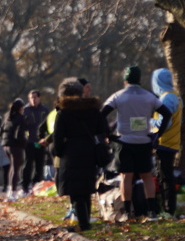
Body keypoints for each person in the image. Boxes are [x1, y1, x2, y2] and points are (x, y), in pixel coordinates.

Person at [101, 66, 166, 221]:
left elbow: (102, 114)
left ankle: (127, 212)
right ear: (139, 79)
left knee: (126, 176)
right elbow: (167, 113)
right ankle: (152, 211)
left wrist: (108, 134)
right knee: (147, 175)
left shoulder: (118, 95)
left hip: (124, 141)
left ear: (125, 80)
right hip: (144, 140)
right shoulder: (149, 96)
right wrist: (157, 134)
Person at [50, 77, 111, 230]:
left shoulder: (63, 113)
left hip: (71, 154)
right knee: (86, 188)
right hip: (90, 152)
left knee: (75, 191)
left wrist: (59, 152)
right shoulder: (93, 110)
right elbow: (103, 130)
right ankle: (86, 221)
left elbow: (57, 138)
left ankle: (83, 224)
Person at [152, 68, 181, 217]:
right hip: (172, 141)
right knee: (166, 176)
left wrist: (149, 123)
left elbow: (165, 122)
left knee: (164, 177)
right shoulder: (175, 96)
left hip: (164, 142)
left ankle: (168, 210)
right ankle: (169, 208)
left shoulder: (166, 98)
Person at [20, 90, 46, 193]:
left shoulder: (44, 110)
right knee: (28, 164)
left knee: (39, 164)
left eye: (35, 97)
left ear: (39, 98)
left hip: (40, 142)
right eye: (31, 98)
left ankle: (37, 184)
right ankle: (25, 185)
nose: (33, 100)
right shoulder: (25, 110)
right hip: (29, 142)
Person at [1, 98, 27, 199]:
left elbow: (0, 130)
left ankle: (10, 189)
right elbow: (19, 134)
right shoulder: (20, 118)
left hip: (6, 144)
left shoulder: (7, 116)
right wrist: (24, 143)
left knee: (12, 168)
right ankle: (13, 191)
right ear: (20, 108)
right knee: (16, 168)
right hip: (15, 145)